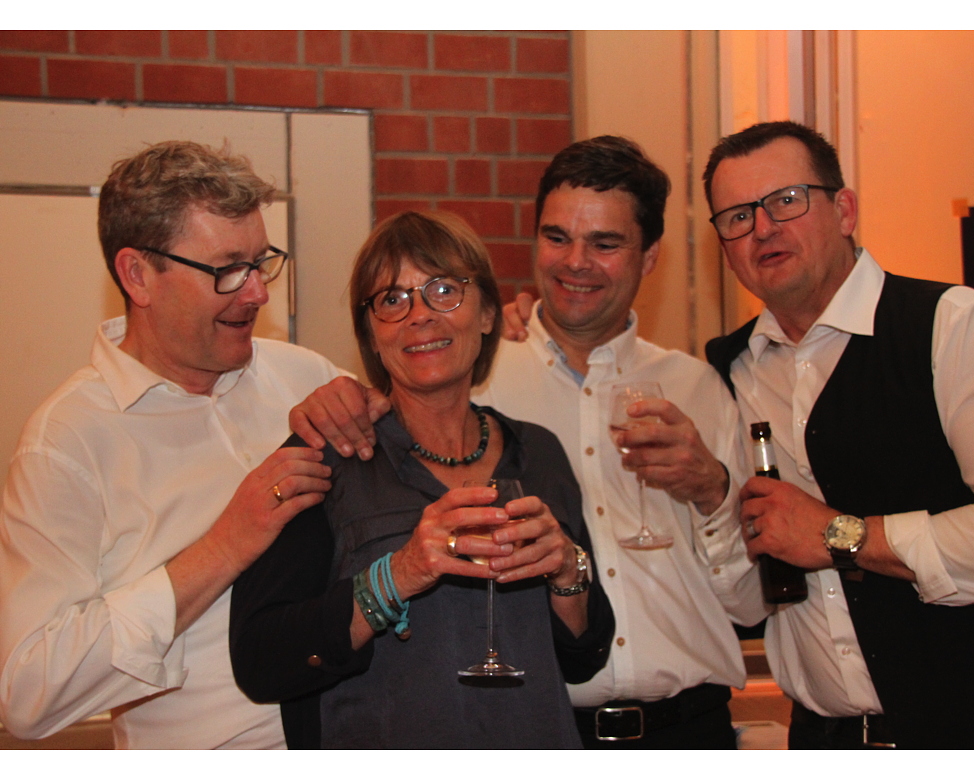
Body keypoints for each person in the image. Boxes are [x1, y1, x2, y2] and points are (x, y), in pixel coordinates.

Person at [292, 137, 765, 749]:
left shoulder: (697, 388)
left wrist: (712, 491)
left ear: (650, 257)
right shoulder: (469, 375)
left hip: (690, 731)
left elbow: (752, 606)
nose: (576, 262)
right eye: (557, 237)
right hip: (538, 728)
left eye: (605, 243)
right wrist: (334, 399)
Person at [703, 120, 974, 748]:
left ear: (844, 210)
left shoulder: (958, 329)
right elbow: (743, 592)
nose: (763, 228)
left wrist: (840, 535)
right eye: (737, 216)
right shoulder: (727, 371)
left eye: (786, 200)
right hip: (825, 740)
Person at [0, 141, 352, 748]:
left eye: (260, 262)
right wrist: (224, 546)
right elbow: (28, 693)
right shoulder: (65, 443)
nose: (257, 293)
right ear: (137, 274)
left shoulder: (305, 374)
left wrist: (500, 332)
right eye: (227, 270)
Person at [229, 210, 614, 749]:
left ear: (487, 313)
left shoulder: (539, 452)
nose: (419, 316)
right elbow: (261, 662)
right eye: (391, 299)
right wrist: (397, 576)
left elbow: (583, 657)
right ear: (371, 333)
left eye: (444, 290)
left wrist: (568, 571)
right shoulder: (326, 457)